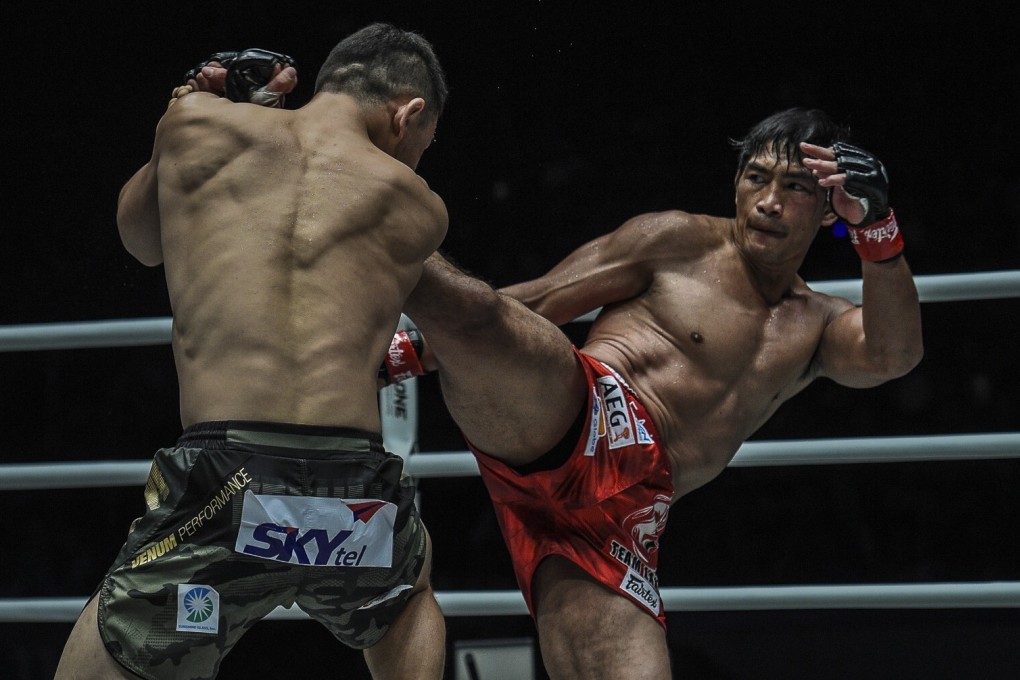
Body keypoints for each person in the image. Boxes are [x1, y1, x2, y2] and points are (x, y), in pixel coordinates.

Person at [401, 107, 923, 679]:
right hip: (578, 415)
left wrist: (878, 229)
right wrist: (402, 356)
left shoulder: (817, 325)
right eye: (757, 178)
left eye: (794, 186)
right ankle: (368, 206)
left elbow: (892, 354)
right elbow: (541, 302)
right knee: (477, 313)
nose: (768, 202)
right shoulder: (679, 240)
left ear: (829, 209)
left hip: (622, 521)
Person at [55, 23, 450, 680]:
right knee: (406, 600)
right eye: (421, 145)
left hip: (224, 481)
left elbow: (141, 238)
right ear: (406, 114)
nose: (413, 161)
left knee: (111, 653)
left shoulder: (201, 131)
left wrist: (183, 113)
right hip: (351, 485)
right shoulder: (417, 203)